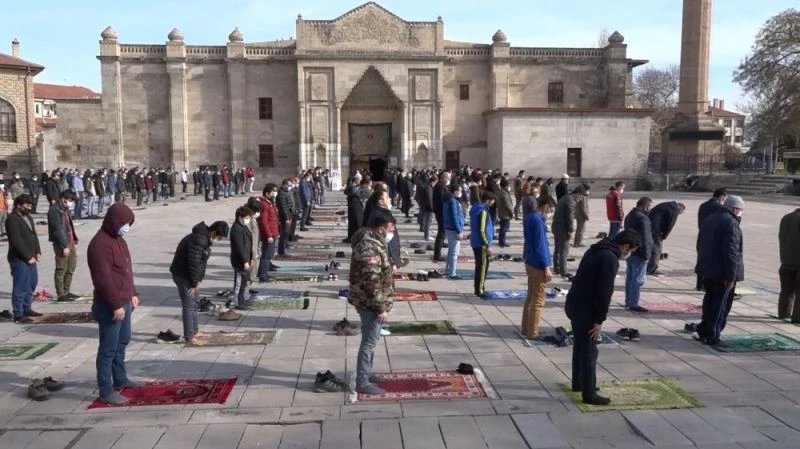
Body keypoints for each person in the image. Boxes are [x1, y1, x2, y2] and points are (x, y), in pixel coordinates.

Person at [565, 229, 641, 406]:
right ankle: (589, 394)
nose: (628, 255)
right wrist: (599, 320)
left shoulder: (597, 248)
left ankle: (579, 383)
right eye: (630, 251)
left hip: (575, 303)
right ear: (625, 246)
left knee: (580, 345)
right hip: (586, 309)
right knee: (590, 350)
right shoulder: (610, 258)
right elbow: (604, 292)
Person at [86, 203, 140, 405]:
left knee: (122, 341)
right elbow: (102, 278)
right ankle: (105, 390)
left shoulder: (119, 240)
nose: (127, 227)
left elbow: (126, 269)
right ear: (115, 221)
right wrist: (115, 304)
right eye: (125, 223)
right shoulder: (99, 244)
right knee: (108, 348)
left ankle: (120, 378)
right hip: (110, 305)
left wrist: (133, 292)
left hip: (125, 301)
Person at [349, 212, 396, 395]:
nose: (392, 233)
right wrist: (381, 308)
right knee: (369, 342)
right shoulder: (369, 247)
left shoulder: (374, 242)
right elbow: (371, 281)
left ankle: (367, 372)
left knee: (373, 339)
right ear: (382, 229)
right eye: (391, 229)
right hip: (369, 302)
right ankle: (362, 381)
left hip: (369, 300)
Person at [170, 220, 229, 345]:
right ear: (213, 232)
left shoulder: (204, 239)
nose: (218, 240)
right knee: (189, 305)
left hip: (190, 275)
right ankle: (189, 336)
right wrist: (194, 282)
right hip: (183, 275)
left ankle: (195, 331)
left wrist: (198, 281)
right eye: (219, 237)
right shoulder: (199, 240)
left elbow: (201, 264)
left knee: (195, 303)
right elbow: (194, 263)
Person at [695, 196, 745, 345]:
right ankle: (712, 334)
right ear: (735, 209)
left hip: (708, 268)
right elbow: (731, 252)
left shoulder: (710, 219)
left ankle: (704, 329)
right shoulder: (731, 223)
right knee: (720, 305)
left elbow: (700, 244)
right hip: (722, 272)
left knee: (709, 301)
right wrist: (731, 276)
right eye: (741, 210)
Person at [521, 195, 557, 338]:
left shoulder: (530, 217)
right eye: (551, 209)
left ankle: (526, 327)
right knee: (538, 300)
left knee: (530, 298)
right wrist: (546, 266)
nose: (550, 212)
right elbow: (541, 245)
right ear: (546, 206)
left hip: (530, 261)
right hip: (538, 264)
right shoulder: (537, 220)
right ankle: (532, 332)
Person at [6, 194, 42, 323]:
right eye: (27, 206)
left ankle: (27, 308)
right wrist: (27, 257)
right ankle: (18, 313)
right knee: (21, 285)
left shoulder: (28, 217)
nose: (29, 208)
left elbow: (34, 236)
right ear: (18, 205)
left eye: (30, 205)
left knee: (32, 283)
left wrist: (38, 251)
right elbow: (16, 241)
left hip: (31, 257)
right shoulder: (12, 220)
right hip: (19, 259)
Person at [48, 190, 80, 301]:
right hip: (62, 243)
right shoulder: (54, 210)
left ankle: (67, 290)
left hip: (70, 241)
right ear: (63, 198)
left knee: (71, 267)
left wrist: (74, 240)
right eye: (69, 200)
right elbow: (57, 229)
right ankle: (61, 293)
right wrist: (64, 245)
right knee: (61, 268)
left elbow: (69, 226)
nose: (70, 202)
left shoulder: (65, 210)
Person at [623, 197, 653, 313]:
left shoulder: (630, 215)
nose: (650, 209)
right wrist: (646, 255)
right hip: (640, 252)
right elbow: (646, 238)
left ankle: (628, 301)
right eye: (650, 206)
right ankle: (633, 303)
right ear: (645, 206)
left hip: (630, 250)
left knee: (630, 277)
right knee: (637, 279)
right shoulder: (643, 219)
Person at [695, 188, 727, 290]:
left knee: (701, 259)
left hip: (702, 235)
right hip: (713, 237)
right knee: (711, 261)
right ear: (721, 196)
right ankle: (707, 284)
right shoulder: (719, 208)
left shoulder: (703, 205)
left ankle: (699, 284)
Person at [552, 186, 585, 277]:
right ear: (578, 193)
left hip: (556, 227)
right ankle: (563, 271)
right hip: (563, 229)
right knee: (564, 250)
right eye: (581, 196)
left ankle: (557, 268)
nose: (581, 199)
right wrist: (571, 230)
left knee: (557, 249)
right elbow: (570, 217)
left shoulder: (565, 197)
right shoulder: (570, 201)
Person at [647, 201, 686, 275]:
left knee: (652, 248)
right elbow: (670, 224)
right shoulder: (675, 209)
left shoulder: (667, 205)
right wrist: (664, 236)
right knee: (656, 249)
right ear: (681, 209)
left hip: (650, 225)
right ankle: (651, 269)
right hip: (655, 229)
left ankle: (649, 267)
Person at [470, 191, 495, 297]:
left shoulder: (476, 208)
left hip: (476, 241)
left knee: (480, 266)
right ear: (488, 201)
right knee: (483, 267)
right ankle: (480, 289)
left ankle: (478, 287)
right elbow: (482, 230)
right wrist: (488, 244)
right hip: (481, 243)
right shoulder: (483, 211)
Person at [229, 206, 254, 310]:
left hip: (246, 259)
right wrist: (245, 261)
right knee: (239, 283)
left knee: (243, 282)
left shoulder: (243, 226)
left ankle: (242, 299)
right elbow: (240, 247)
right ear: (240, 217)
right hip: (239, 261)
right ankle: (238, 302)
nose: (248, 219)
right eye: (247, 217)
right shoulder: (236, 228)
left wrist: (251, 258)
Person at [778, 208, 800, 321]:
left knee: (786, 290)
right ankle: (797, 317)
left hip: (786, 260)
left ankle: (783, 313)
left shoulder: (786, 217)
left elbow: (782, 237)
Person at [257, 184, 280, 282]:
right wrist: (268, 235)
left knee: (269, 254)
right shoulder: (265, 204)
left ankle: (263, 271)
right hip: (269, 233)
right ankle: (263, 275)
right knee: (266, 255)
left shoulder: (270, 202)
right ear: (267, 193)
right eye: (273, 192)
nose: (275, 194)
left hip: (273, 231)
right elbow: (264, 221)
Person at [443, 181, 465, 279]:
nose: (461, 193)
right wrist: (459, 230)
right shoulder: (452, 201)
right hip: (453, 228)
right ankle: (452, 272)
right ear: (455, 191)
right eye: (460, 191)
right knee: (454, 252)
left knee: (451, 251)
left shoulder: (451, 199)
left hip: (450, 227)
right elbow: (454, 216)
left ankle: (448, 270)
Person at [432, 172, 451, 262]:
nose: (449, 180)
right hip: (441, 213)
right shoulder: (440, 187)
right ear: (445, 178)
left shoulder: (440, 186)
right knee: (441, 233)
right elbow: (442, 200)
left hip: (440, 213)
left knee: (442, 233)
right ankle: (437, 254)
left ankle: (438, 251)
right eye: (449, 178)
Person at [496, 178, 514, 247]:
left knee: (503, 228)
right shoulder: (504, 193)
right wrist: (511, 212)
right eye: (508, 185)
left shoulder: (502, 192)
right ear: (506, 185)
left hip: (503, 212)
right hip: (505, 213)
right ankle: (502, 242)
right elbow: (507, 204)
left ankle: (501, 241)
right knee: (504, 228)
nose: (509, 187)